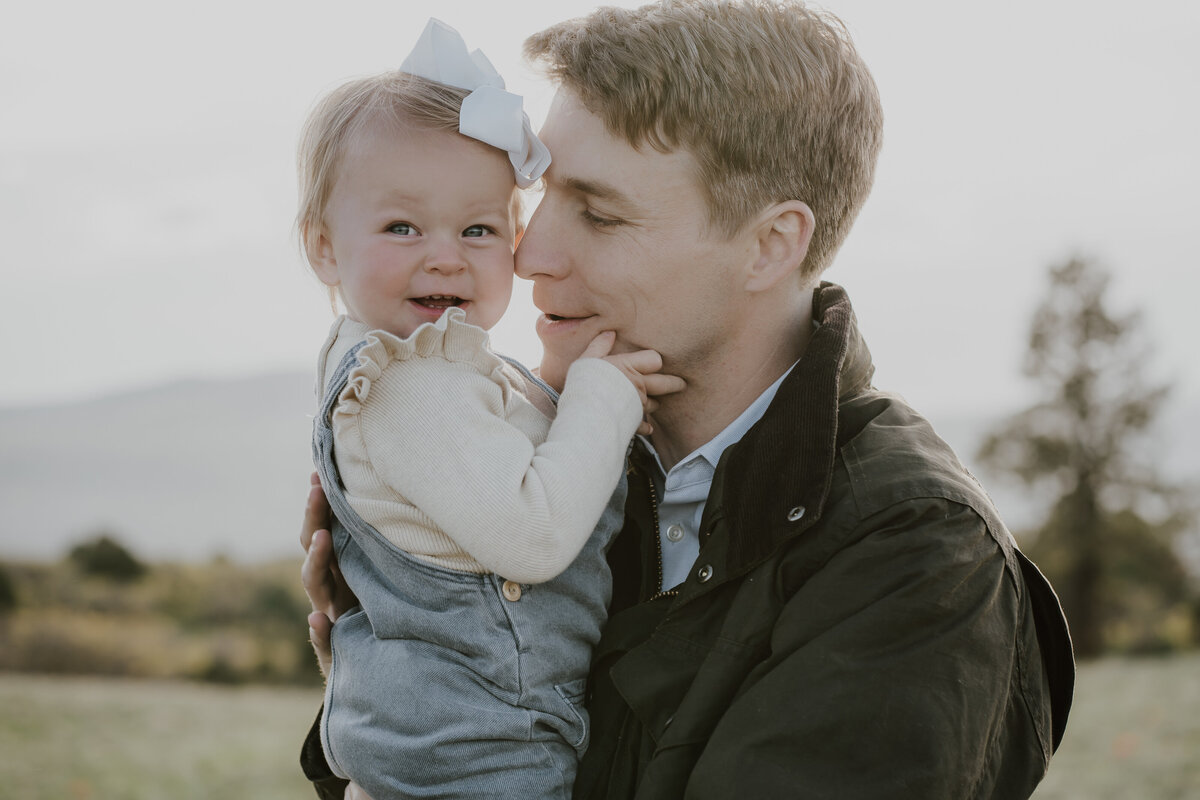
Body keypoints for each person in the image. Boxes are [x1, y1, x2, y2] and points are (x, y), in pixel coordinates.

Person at [300, 2, 1076, 798]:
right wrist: (402, 660)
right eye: (539, 203)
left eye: (599, 213)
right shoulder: (543, 451)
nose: (529, 254)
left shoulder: (916, 555)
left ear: (771, 245)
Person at [296, 18, 685, 799]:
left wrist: (557, 383)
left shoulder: (438, 374)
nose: (445, 253)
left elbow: (494, 454)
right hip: (475, 766)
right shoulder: (406, 381)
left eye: (478, 229)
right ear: (325, 248)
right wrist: (602, 401)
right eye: (401, 226)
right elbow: (534, 536)